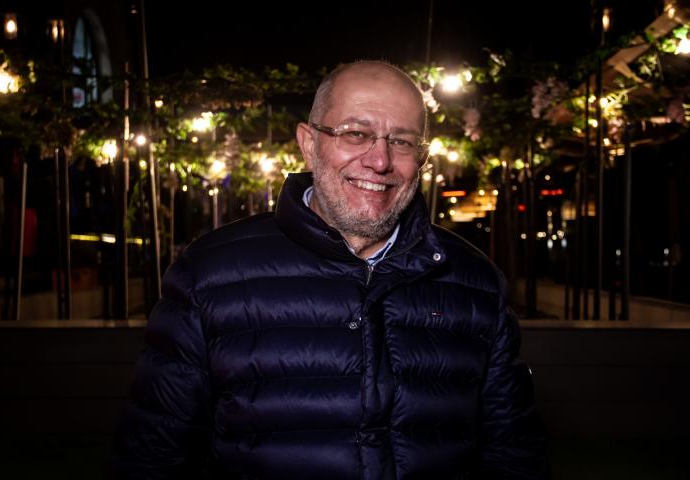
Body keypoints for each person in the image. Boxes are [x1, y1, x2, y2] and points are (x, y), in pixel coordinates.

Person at [113, 60, 547, 479]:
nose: (380, 161)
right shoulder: (210, 275)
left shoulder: (475, 282)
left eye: (402, 141)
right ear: (308, 143)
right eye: (356, 134)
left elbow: (513, 456)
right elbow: (154, 458)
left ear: (422, 157)